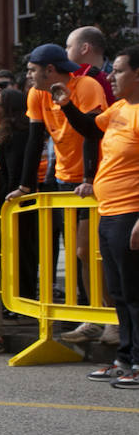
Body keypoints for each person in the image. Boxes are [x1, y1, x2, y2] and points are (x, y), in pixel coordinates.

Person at [13, 43, 110, 344]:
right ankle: (91, 315)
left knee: (90, 251)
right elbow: (34, 140)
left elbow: (94, 133)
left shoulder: (87, 86)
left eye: (32, 71)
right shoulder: (37, 93)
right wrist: (26, 185)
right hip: (62, 178)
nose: (28, 76)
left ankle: (108, 316)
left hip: (94, 177)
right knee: (80, 253)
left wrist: (90, 177)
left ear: (50, 70)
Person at [54, 44, 139, 388]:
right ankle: (124, 358)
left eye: (118, 71)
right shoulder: (119, 108)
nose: (111, 77)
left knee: (134, 293)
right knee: (118, 292)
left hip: (130, 213)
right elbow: (90, 129)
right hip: (109, 211)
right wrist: (66, 105)